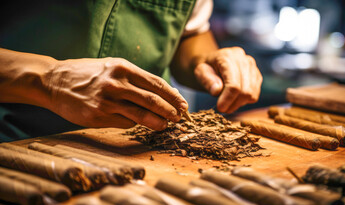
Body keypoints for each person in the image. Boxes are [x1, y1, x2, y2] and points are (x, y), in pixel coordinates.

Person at [0, 0, 262, 142]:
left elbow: (188, 33)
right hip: (14, 146)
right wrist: (49, 81)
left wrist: (205, 61)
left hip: (137, 147)